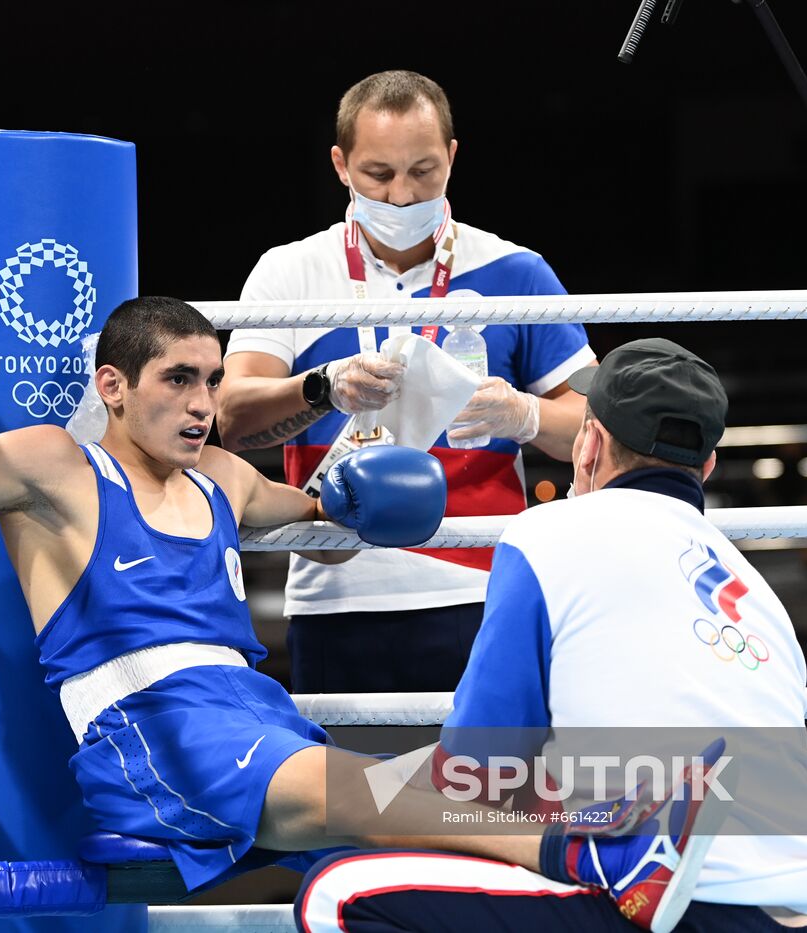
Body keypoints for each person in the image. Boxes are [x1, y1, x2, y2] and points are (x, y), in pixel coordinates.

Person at [0, 299, 726, 932]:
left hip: (251, 713)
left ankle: (611, 859)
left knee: (385, 864)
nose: (199, 401)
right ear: (112, 387)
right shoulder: (52, 465)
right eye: (176, 381)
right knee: (388, 794)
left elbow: (329, 512)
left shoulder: (224, 477)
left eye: (208, 380)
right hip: (154, 736)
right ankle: (603, 845)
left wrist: (366, 496)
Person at [293, 339, 807, 933]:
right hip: (797, 906)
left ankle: (629, 853)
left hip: (675, 901)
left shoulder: (547, 534)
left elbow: (478, 773)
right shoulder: (757, 589)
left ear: (588, 444)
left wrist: (354, 792)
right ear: (707, 464)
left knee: (334, 889)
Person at [220, 69, 596, 693]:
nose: (400, 195)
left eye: (423, 171)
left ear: (451, 156)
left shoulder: (516, 270)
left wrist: (526, 415)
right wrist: (323, 388)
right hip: (334, 589)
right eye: (379, 174)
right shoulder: (287, 272)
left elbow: (599, 421)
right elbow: (231, 416)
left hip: (482, 586)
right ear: (341, 165)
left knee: (487, 793)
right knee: (349, 792)